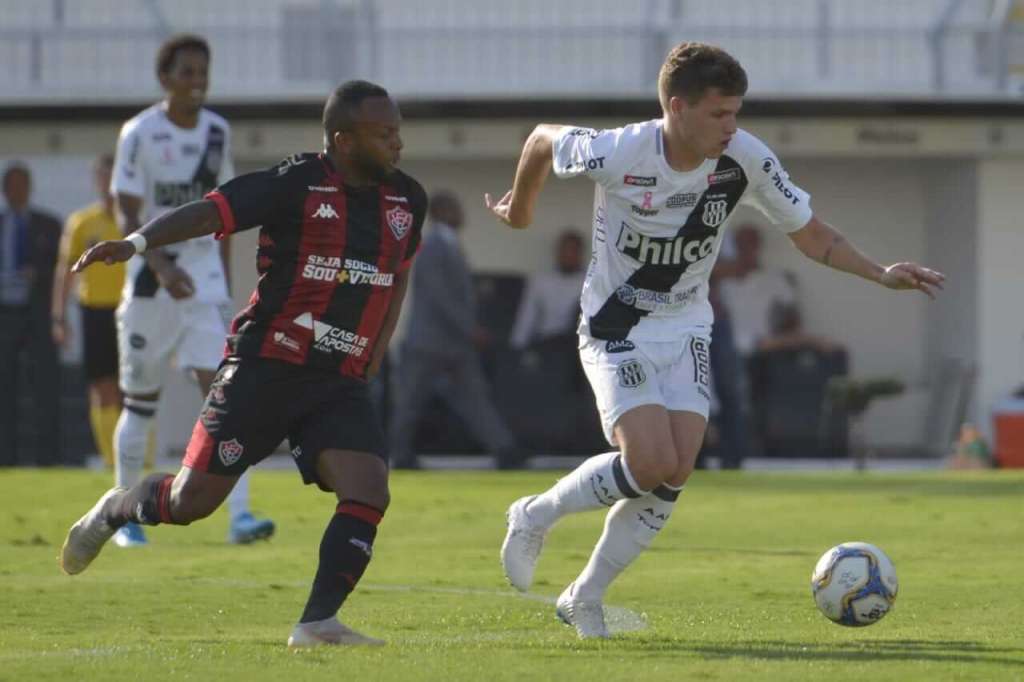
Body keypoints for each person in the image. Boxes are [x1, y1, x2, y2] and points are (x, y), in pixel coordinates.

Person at [486, 41, 944, 639]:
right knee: (647, 461)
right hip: (615, 325)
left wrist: (879, 272)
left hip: (688, 327)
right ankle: (534, 515)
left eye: (736, 113)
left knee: (675, 470)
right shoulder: (622, 150)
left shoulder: (745, 159)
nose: (732, 126)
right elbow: (543, 138)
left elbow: (810, 234)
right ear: (677, 108)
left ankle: (584, 597)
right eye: (719, 114)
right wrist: (521, 209)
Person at [60, 79, 424, 647]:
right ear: (343, 140)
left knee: (369, 486)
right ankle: (115, 508)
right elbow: (211, 212)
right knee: (189, 503)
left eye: (399, 132)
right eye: (385, 134)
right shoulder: (297, 182)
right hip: (264, 368)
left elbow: (397, 277)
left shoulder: (407, 199)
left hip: (337, 379)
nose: (398, 144)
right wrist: (135, 245)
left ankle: (316, 624)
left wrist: (374, 354)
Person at [108, 34, 273, 546]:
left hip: (203, 289)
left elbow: (221, 213)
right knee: (139, 404)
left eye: (203, 71)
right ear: (165, 78)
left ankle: (239, 516)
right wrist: (157, 264)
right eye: (187, 72)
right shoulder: (138, 133)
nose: (197, 82)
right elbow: (128, 211)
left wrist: (222, 286)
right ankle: (124, 516)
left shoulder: (217, 133)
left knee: (226, 398)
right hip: (149, 286)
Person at [387, 191, 522, 470]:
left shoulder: (450, 245)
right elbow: (440, 296)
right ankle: (398, 455)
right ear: (442, 212)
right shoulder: (433, 245)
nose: (461, 213)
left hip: (453, 345)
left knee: (474, 398)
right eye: (455, 207)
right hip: (428, 342)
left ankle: (505, 449)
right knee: (410, 401)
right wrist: (469, 328)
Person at [52, 153, 125, 469]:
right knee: (101, 386)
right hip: (94, 309)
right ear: (97, 181)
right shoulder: (82, 222)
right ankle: (112, 461)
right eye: (103, 177)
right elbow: (65, 270)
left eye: (114, 176)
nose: (109, 184)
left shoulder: (135, 219)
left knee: (133, 388)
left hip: (130, 309)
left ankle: (138, 459)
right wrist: (59, 316)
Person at [0, 162, 63, 466]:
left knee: (45, 387)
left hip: (38, 314)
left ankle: (47, 459)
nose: (16, 191)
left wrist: (37, 273)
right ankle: (6, 459)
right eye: (10, 186)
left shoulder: (49, 225)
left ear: (29, 188)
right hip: (4, 316)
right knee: (5, 388)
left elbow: (62, 270)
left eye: (21, 185)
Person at [718, 223, 798, 358]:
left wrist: (782, 341)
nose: (745, 250)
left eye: (750, 244)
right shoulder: (721, 282)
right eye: (740, 245)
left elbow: (792, 317)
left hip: (763, 350)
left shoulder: (774, 279)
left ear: (758, 245)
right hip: (725, 351)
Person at [509, 228, 586, 351]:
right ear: (558, 252)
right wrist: (516, 349)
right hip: (546, 342)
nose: (568, 256)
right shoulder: (540, 281)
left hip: (576, 347)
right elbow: (526, 318)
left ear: (580, 254)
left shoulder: (590, 283)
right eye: (565, 250)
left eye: (573, 251)